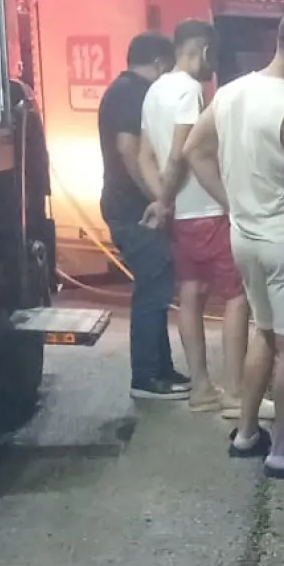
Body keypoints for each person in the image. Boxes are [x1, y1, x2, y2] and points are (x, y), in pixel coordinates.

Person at [182, 9, 284, 485]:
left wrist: (230, 201)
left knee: (264, 332)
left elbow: (193, 150)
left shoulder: (231, 92)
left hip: (245, 236)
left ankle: (247, 435)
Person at [139, 20, 257, 417]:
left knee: (190, 293)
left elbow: (145, 156)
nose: (214, 65)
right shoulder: (190, 91)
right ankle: (235, 393)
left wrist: (163, 200)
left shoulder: (154, 91)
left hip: (182, 218)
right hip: (208, 210)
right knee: (237, 297)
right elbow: (183, 152)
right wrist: (168, 200)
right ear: (204, 51)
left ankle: (201, 388)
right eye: (214, 56)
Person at [97, 31, 185, 400]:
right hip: (132, 209)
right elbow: (128, 150)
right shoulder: (131, 93)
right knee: (153, 289)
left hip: (129, 206)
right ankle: (147, 377)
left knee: (157, 287)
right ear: (160, 62)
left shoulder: (125, 90)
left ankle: (162, 369)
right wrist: (158, 198)